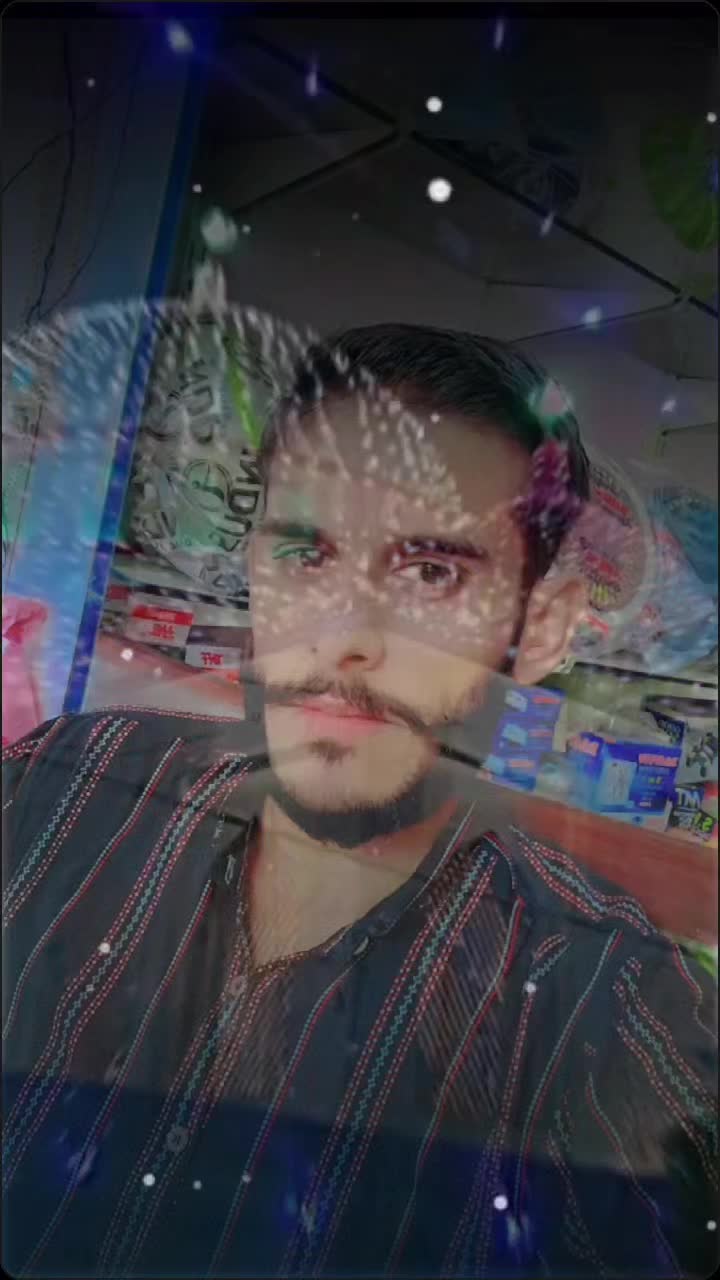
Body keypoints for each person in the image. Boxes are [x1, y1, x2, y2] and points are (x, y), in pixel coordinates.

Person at [2, 324, 717, 1279]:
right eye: (305, 555)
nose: (343, 635)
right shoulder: (63, 789)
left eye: (432, 572)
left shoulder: (615, 1019)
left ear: (540, 627)